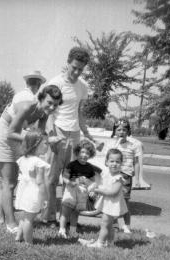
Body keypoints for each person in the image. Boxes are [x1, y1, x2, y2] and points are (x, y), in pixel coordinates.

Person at [0, 85, 63, 233]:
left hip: (17, 138)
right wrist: (36, 139)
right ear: (41, 98)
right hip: (3, 136)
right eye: (49, 102)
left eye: (56, 104)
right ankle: (11, 224)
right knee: (9, 183)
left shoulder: (44, 113)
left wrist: (48, 140)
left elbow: (38, 134)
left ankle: (0, 220)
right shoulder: (27, 107)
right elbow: (10, 133)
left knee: (9, 182)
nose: (52, 107)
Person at [42, 47, 98, 225]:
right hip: (58, 131)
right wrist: (51, 134)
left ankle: (65, 219)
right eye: (74, 67)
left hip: (74, 135)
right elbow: (48, 111)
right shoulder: (55, 82)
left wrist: (87, 133)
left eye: (80, 69)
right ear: (68, 62)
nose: (76, 72)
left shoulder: (83, 87)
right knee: (51, 178)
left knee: (71, 178)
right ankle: (49, 215)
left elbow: (80, 113)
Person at [85, 149, 128, 248]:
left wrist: (97, 191)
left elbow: (113, 193)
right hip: (107, 203)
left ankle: (100, 243)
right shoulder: (105, 173)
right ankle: (110, 242)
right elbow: (100, 182)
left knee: (104, 224)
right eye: (112, 161)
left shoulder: (119, 178)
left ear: (121, 163)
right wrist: (94, 186)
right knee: (109, 225)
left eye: (117, 162)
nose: (114, 164)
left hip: (112, 204)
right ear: (106, 162)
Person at [14, 130, 50, 244]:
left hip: (24, 191)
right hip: (33, 193)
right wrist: (45, 198)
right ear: (36, 145)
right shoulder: (38, 162)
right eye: (45, 143)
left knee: (25, 217)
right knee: (29, 219)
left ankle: (18, 237)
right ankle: (28, 243)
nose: (48, 146)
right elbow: (40, 182)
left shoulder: (24, 159)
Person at [58, 140, 99, 238]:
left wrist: (92, 190)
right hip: (71, 190)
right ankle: (61, 230)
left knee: (76, 212)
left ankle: (72, 231)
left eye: (87, 153)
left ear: (90, 155)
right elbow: (64, 177)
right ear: (77, 152)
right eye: (82, 152)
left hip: (82, 192)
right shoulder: (71, 165)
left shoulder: (90, 168)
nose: (84, 155)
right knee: (66, 210)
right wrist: (69, 182)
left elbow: (93, 181)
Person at [112, 119, 140, 234]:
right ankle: (114, 225)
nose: (121, 132)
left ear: (128, 131)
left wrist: (137, 179)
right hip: (113, 175)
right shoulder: (112, 144)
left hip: (126, 176)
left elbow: (137, 162)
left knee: (125, 202)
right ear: (114, 131)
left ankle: (127, 226)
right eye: (118, 129)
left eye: (124, 129)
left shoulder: (133, 145)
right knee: (113, 201)